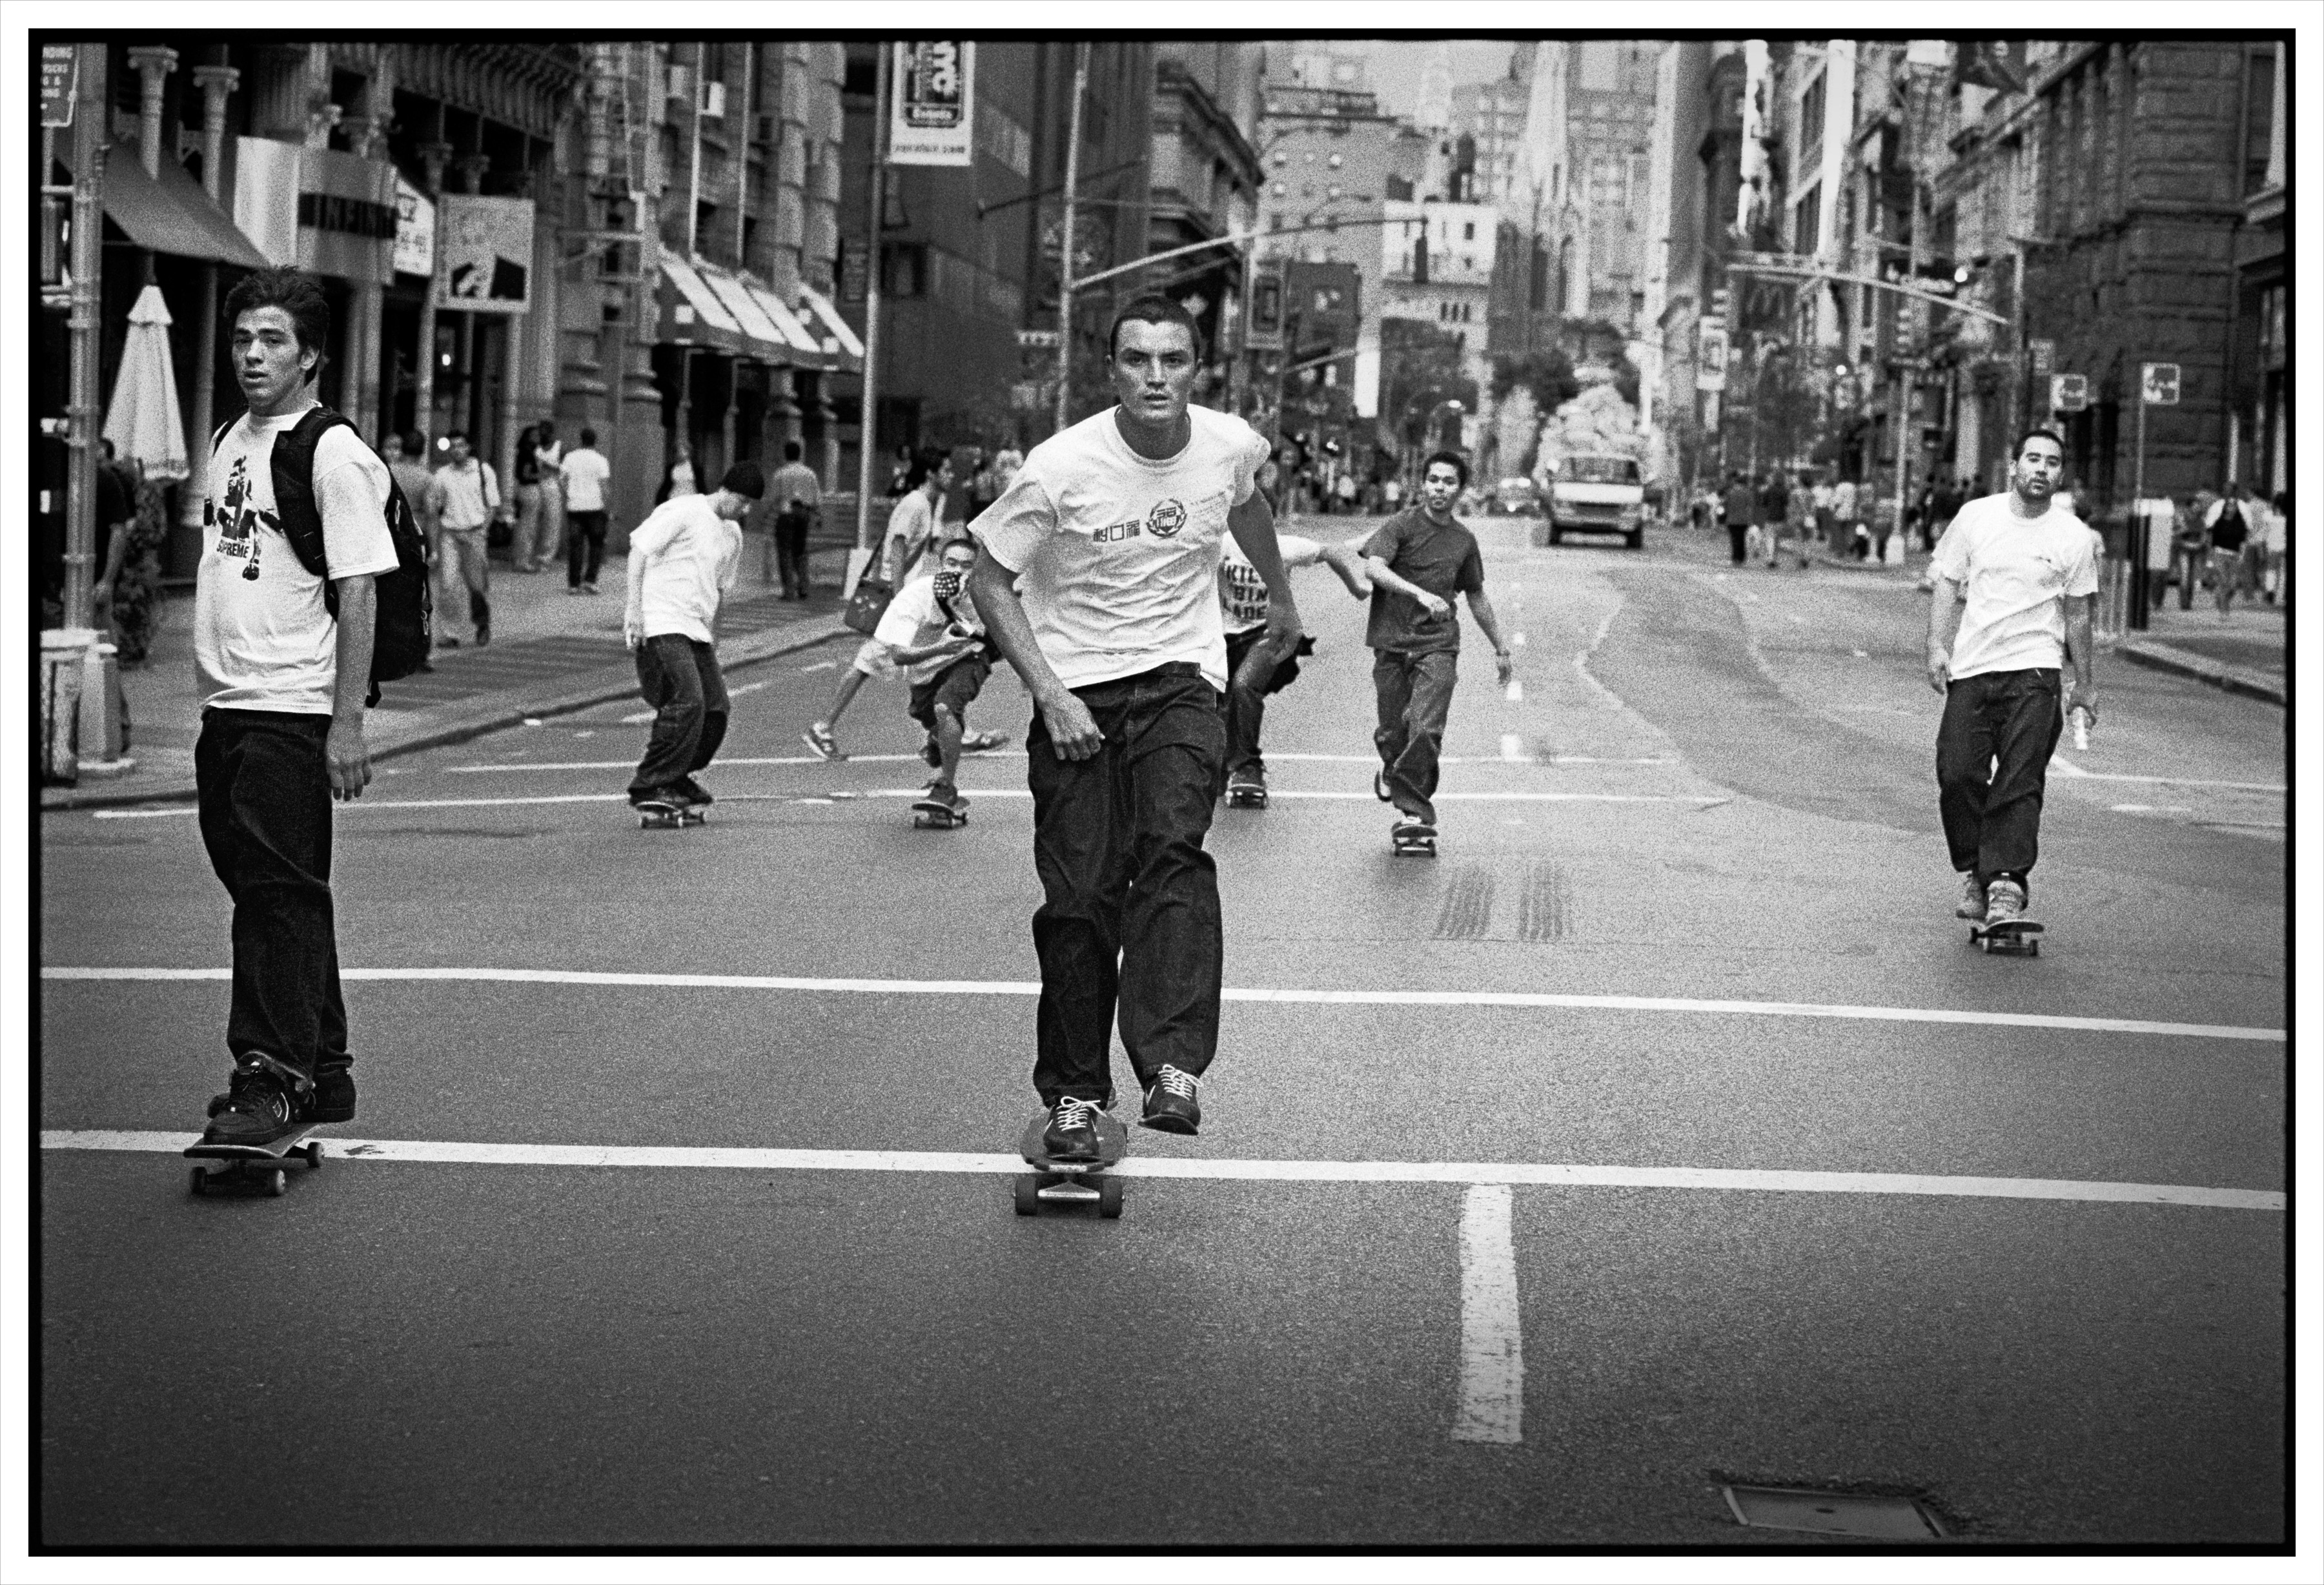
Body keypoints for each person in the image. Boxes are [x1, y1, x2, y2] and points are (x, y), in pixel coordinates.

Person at [966, 292, 1300, 1156]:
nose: (1156, 376)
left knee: (1174, 856)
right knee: (1080, 904)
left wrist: (1284, 603)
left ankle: (1172, 1064)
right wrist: (1048, 692)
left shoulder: (1228, 444)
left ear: (1199, 366)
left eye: (1173, 359)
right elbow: (987, 579)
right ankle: (1075, 1095)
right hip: (1077, 697)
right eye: (1136, 360)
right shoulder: (1060, 466)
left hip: (1181, 684)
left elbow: (1247, 500)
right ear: (1111, 368)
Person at [189, 265, 398, 1148]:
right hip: (228, 706)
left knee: (276, 894)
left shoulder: (335, 453)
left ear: (310, 354)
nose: (252, 353)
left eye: (272, 339)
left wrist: (345, 721)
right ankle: (327, 1062)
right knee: (275, 890)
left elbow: (359, 591)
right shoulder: (231, 437)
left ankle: (270, 1072)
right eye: (242, 338)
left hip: (289, 705)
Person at [1926, 428, 2097, 931]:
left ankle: (2005, 883)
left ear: (2061, 474)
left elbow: (2080, 614)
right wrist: (1937, 644)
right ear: (2015, 465)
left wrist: (2083, 684)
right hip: (1974, 667)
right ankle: (1977, 869)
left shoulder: (2073, 536)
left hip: (2036, 670)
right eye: (2033, 459)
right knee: (1957, 772)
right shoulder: (1977, 516)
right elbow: (1948, 581)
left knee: (2019, 781)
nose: (2041, 469)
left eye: (2052, 462)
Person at [1360, 450, 1514, 847]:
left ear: (1460, 489)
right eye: (1433, 480)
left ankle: (1415, 814)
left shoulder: (1463, 540)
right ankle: (1395, 772)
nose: (1439, 489)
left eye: (1448, 482)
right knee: (1393, 732)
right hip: (1392, 642)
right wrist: (1419, 594)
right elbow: (1374, 567)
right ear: (1423, 484)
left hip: (1438, 644)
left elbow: (1476, 596)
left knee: (1427, 729)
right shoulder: (1401, 525)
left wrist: (1501, 647)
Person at [623, 460, 762, 811]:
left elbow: (720, 588)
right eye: (742, 502)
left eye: (750, 506)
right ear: (726, 490)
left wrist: (714, 636)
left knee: (716, 710)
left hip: (696, 630)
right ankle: (649, 783)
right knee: (687, 700)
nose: (744, 511)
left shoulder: (732, 534)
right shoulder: (684, 510)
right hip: (662, 621)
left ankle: (678, 774)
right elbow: (639, 551)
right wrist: (634, 611)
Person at [802, 447, 953, 759]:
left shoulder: (923, 503)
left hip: (902, 598)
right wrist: (900, 597)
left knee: (917, 661)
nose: (951, 475)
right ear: (931, 473)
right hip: (896, 598)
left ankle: (942, 732)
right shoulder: (916, 504)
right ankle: (823, 727)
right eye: (947, 470)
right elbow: (896, 547)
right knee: (879, 661)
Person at [1218, 524, 1371, 804]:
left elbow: (1330, 554)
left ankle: (1247, 767)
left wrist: (1356, 588)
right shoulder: (1223, 545)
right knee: (1220, 699)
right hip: (1225, 636)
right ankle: (1220, 762)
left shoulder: (1285, 547)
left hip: (1270, 634)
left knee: (1244, 686)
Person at [872, 536, 996, 820]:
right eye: (951, 563)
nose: (958, 572)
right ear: (939, 565)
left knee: (946, 707)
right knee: (926, 713)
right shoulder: (916, 596)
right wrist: (940, 647)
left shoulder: (983, 595)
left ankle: (946, 786)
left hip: (969, 656)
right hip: (926, 665)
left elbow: (1006, 633)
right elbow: (900, 656)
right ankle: (939, 739)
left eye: (967, 566)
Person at [431, 429, 497, 646]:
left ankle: (482, 622)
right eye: (453, 446)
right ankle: (452, 633)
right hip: (450, 535)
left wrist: (483, 530)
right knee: (448, 585)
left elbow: (492, 505)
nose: (457, 450)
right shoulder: (442, 475)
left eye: (461, 445)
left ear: (468, 447)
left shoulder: (482, 470)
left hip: (475, 533)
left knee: (477, 586)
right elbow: (435, 507)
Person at [380, 432, 439, 666]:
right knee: (421, 597)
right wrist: (434, 550)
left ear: (402, 449)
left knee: (391, 594)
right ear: (424, 451)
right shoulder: (427, 479)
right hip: (416, 541)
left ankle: (391, 650)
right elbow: (432, 516)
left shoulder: (389, 473)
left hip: (391, 538)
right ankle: (423, 652)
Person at [558, 426, 611, 595]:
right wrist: (608, 507)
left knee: (576, 546)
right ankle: (590, 581)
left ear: (580, 439)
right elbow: (604, 487)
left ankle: (574, 584)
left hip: (575, 507)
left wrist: (569, 495)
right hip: (595, 507)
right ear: (596, 441)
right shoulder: (601, 460)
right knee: (596, 544)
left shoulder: (569, 458)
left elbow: (562, 481)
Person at [767, 439, 822, 598]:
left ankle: (789, 591)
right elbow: (817, 498)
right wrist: (818, 515)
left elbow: (773, 499)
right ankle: (804, 588)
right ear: (800, 454)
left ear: (785, 455)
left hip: (786, 513)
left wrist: (767, 515)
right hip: (804, 513)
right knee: (800, 551)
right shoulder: (809, 473)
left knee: (785, 551)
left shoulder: (780, 474)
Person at [2205, 482, 2252, 614]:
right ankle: (2224, 609)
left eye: (2230, 490)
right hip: (2219, 553)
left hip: (2235, 554)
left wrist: (2242, 555)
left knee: (2232, 586)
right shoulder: (2216, 508)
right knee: (2224, 581)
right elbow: (2209, 533)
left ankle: (2221, 597)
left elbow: (2246, 534)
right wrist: (2210, 558)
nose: (2228, 492)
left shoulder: (2243, 509)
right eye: (2225, 489)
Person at [1722, 471, 1755, 566]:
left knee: (1734, 539)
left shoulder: (1730, 492)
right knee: (1742, 538)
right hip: (1743, 520)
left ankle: (1735, 558)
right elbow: (1751, 505)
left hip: (1732, 519)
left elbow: (1725, 505)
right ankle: (1741, 558)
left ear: (1736, 483)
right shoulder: (1748, 492)